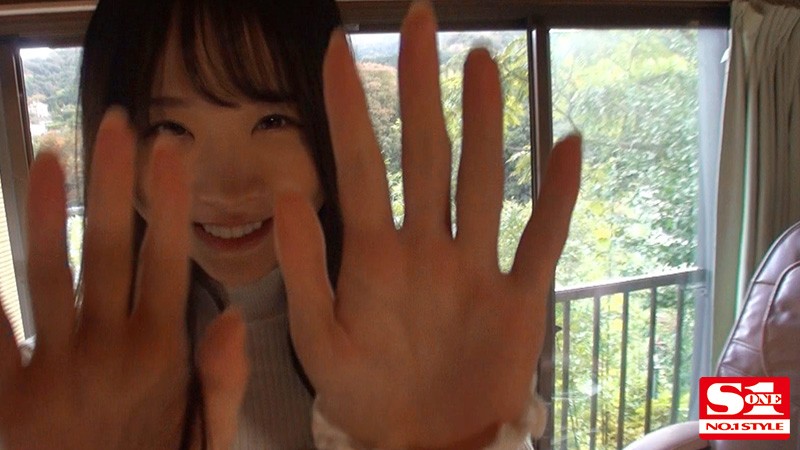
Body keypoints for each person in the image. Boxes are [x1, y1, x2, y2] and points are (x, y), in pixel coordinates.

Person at [0, 0, 582, 448]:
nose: (229, 186)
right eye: (171, 129)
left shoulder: (429, 346)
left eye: (275, 120)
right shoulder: (59, 408)